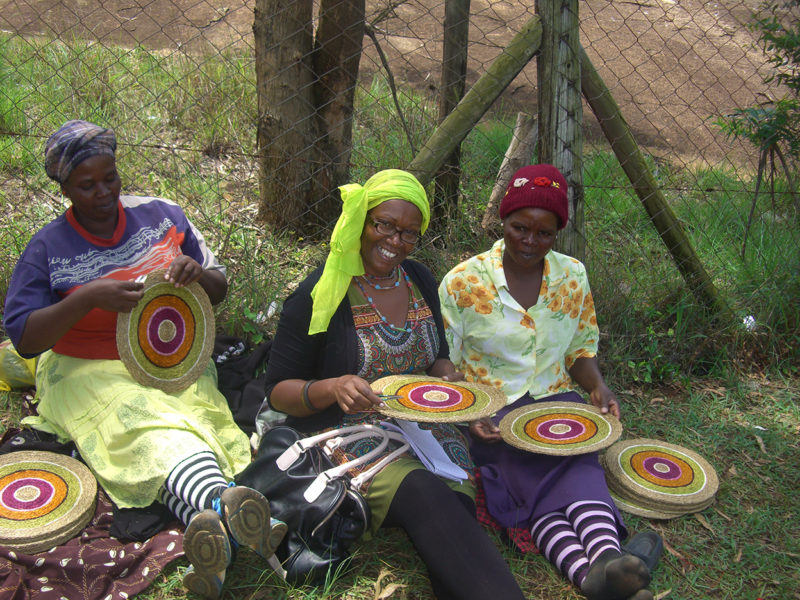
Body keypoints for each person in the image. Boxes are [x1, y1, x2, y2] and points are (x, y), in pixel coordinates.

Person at [3, 120, 281, 600]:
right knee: (142, 422)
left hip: (172, 360)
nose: (103, 192)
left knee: (183, 423)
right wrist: (87, 297)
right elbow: (25, 338)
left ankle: (212, 526)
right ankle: (225, 504)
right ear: (64, 189)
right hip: (85, 369)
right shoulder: (48, 248)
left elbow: (218, 287)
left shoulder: (161, 216)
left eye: (110, 177)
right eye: (86, 185)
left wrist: (198, 275)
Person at [263, 169, 526, 600]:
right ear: (361, 221)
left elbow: (438, 356)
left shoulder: (419, 278)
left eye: (408, 232)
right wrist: (333, 387)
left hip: (427, 425)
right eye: (383, 224)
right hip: (351, 432)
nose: (394, 241)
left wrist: (449, 380)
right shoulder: (320, 293)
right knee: (424, 492)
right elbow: (278, 391)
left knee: (455, 504)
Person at [438, 164, 661, 600]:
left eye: (544, 233)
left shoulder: (571, 276)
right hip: (492, 412)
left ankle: (602, 565)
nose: (529, 240)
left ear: (558, 232)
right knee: (526, 470)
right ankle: (599, 572)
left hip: (556, 406)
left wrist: (596, 386)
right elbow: (445, 362)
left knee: (576, 458)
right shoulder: (463, 282)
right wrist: (469, 416)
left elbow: (580, 348)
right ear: (502, 220)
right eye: (519, 227)